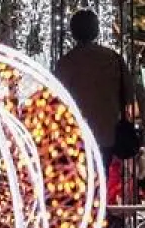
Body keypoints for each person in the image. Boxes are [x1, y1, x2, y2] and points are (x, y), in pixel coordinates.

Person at [55, 10, 135, 161]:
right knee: (102, 170)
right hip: (106, 133)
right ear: (96, 30)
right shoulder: (113, 59)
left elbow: (56, 99)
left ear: (73, 32)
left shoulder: (65, 63)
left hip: (75, 135)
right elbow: (128, 94)